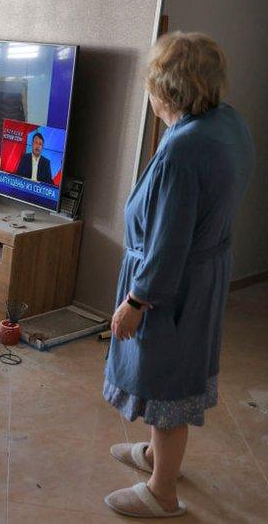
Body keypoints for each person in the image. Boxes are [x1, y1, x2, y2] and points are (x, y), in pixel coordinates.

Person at [102, 32, 253, 518]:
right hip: (201, 276)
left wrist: (136, 303)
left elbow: (168, 244)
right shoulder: (225, 123)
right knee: (166, 374)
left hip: (172, 288)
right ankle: (154, 457)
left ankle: (162, 491)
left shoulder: (181, 152)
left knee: (167, 385)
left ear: (166, 91)